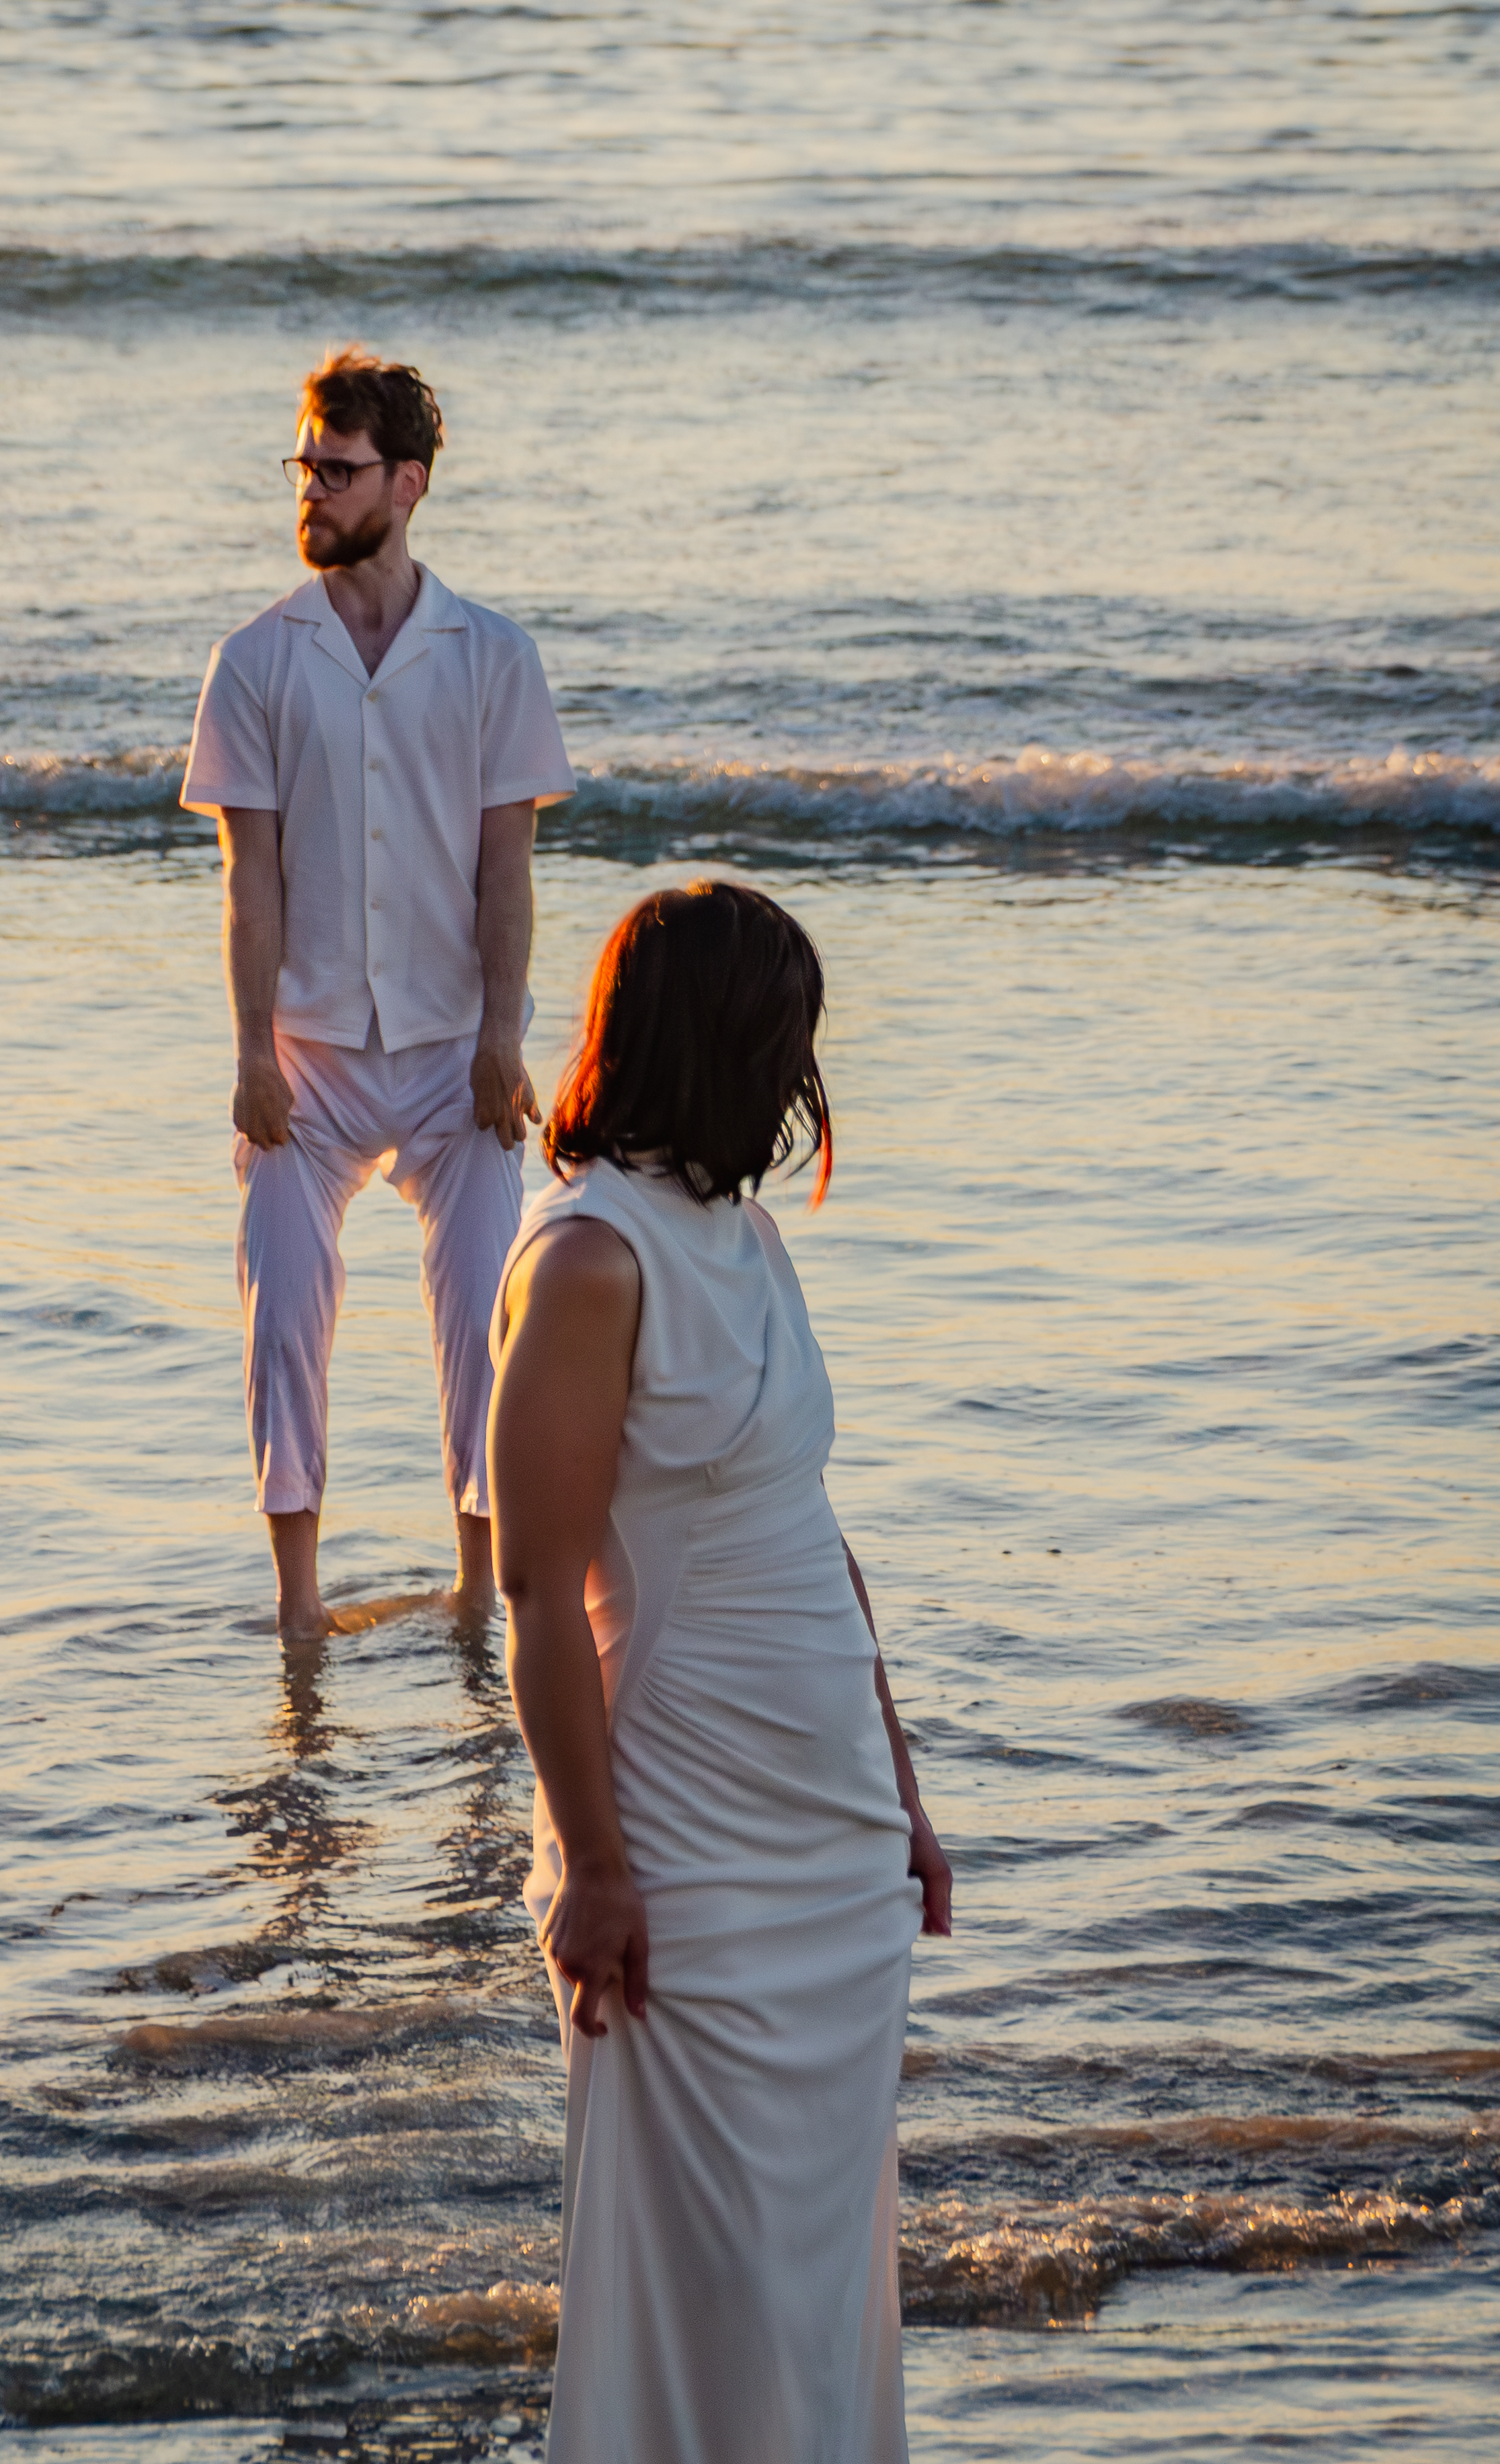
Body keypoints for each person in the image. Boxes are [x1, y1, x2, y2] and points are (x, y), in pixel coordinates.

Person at [488, 881, 953, 2464]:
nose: (803, 1072)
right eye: (785, 1037)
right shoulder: (587, 1261)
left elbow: (807, 1532)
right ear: (714, 1042)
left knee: (815, 2288)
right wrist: (595, 1865)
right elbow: (538, 1592)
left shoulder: (742, 1235)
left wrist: (900, 1795)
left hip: (827, 1849)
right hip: (682, 1846)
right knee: (712, 2278)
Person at [181, 348, 575, 1639]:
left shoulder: (493, 657)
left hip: (458, 1054)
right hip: (306, 1062)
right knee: (283, 1319)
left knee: (487, 1324)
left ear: (406, 485)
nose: (311, 488)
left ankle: (476, 1592)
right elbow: (249, 882)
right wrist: (252, 1053)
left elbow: (506, 873)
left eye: (337, 470)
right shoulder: (253, 662)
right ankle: (299, 1609)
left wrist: (504, 1037)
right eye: (303, 464)